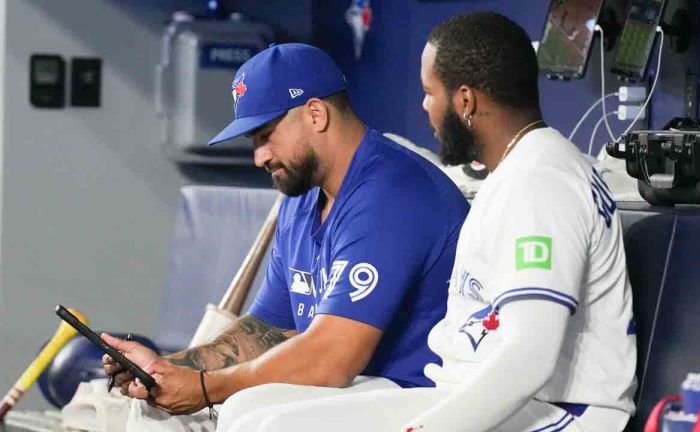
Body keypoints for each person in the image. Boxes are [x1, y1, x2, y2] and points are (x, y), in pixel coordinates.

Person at [217, 12, 637, 432]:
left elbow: (529, 358)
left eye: (429, 93)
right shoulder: (516, 172)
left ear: (465, 101)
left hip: (560, 414)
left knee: (273, 429)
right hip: (471, 394)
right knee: (245, 411)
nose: (424, 107)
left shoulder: (539, 183)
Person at [101, 43, 469, 431]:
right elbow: (271, 329)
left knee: (254, 417)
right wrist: (166, 370)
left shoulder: (393, 192)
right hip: (355, 393)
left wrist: (208, 388)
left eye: (265, 135)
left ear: (315, 113)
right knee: (156, 410)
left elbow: (332, 359)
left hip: (420, 399)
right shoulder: (302, 195)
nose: (259, 157)